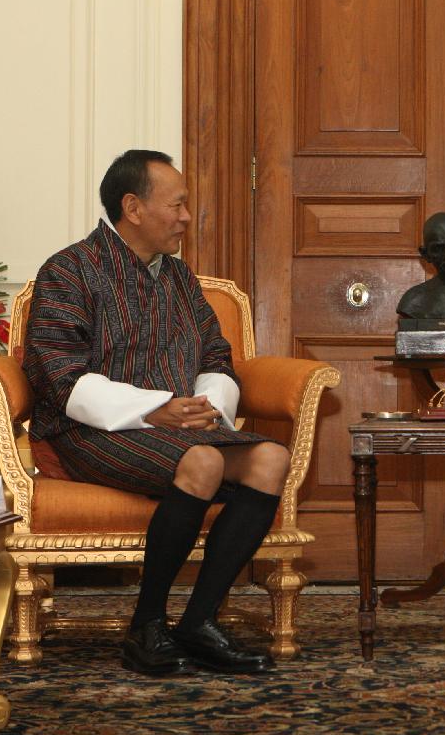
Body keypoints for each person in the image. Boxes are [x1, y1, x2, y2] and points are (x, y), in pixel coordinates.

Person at [23, 149, 288, 676]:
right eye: (177, 205)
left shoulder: (179, 278)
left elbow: (215, 355)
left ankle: (198, 622)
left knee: (271, 459)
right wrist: (153, 409)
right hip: (89, 429)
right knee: (204, 462)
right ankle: (146, 627)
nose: (187, 217)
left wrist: (206, 408)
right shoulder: (69, 269)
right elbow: (58, 373)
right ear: (133, 207)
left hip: (180, 429)